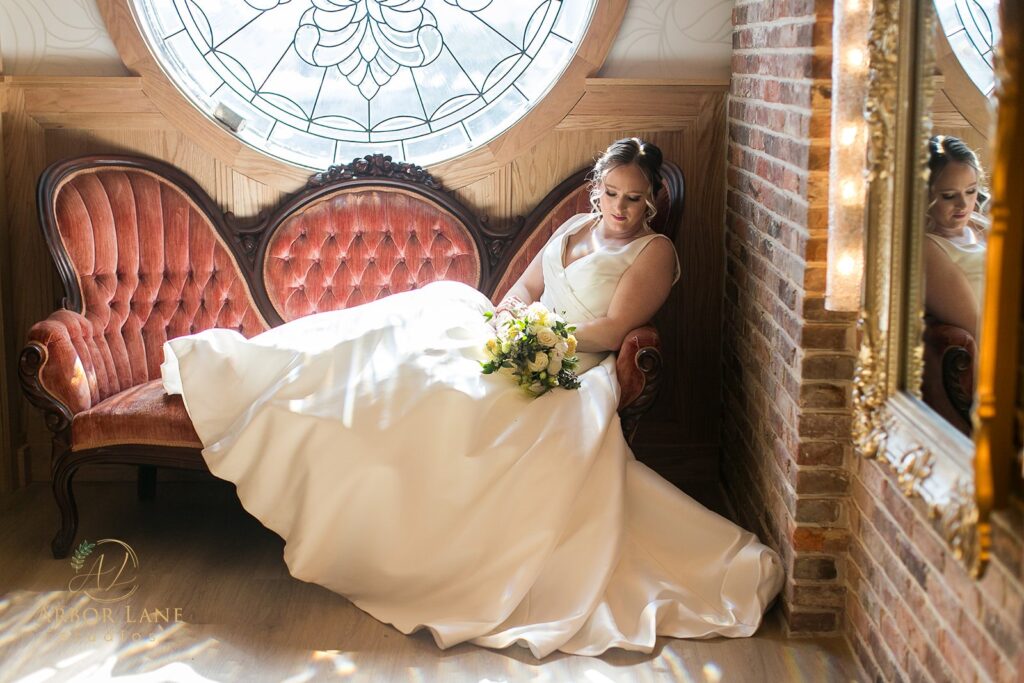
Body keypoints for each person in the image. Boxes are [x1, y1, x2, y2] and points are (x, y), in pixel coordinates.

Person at [161, 138, 784, 658]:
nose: (619, 208)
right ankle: (255, 371)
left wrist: (544, 338)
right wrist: (513, 323)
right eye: (611, 194)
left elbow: (616, 329)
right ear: (597, 190)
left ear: (653, 201)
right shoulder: (574, 226)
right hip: (522, 343)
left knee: (443, 396)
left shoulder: (654, 252)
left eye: (635, 198)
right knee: (410, 329)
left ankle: (398, 541)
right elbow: (521, 288)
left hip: (572, 366)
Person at [923, 135, 988, 342]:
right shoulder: (927, 249)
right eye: (949, 196)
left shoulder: (980, 222)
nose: (964, 205)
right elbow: (977, 326)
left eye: (971, 191)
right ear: (922, 194)